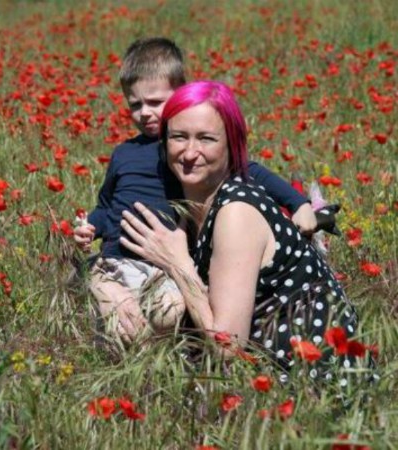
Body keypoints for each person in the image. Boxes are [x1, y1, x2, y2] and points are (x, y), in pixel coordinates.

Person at [119, 80, 371, 384]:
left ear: (232, 144)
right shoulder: (187, 206)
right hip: (260, 375)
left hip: (307, 386)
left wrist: (178, 264)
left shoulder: (236, 212)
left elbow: (227, 346)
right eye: (178, 137)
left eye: (206, 139)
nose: (189, 152)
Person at [74, 37, 317, 346]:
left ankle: (156, 362)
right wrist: (90, 226)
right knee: (122, 323)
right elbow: (107, 203)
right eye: (135, 104)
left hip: (164, 266)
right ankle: (123, 365)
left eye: (155, 102)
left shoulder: (187, 152)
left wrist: (299, 203)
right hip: (116, 259)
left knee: (168, 313)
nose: (145, 113)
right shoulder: (124, 153)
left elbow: (249, 170)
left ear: (180, 95)